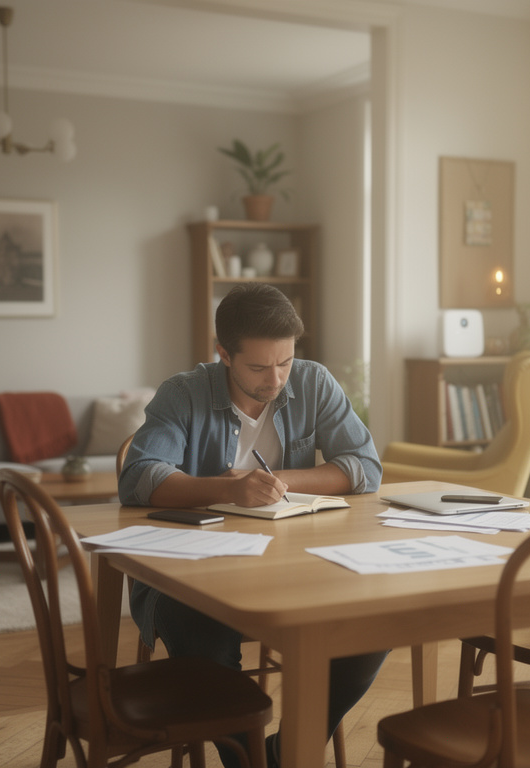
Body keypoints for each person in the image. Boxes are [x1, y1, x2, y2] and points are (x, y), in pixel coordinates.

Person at [118, 283, 385, 768]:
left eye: (285, 361)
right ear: (224, 354)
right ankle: (252, 762)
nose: (276, 379)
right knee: (204, 634)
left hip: (294, 566)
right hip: (190, 574)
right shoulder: (184, 393)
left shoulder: (313, 382)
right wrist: (227, 489)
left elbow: (364, 466)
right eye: (259, 367)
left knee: (371, 622)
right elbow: (139, 478)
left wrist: (278, 480)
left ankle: (286, 751)